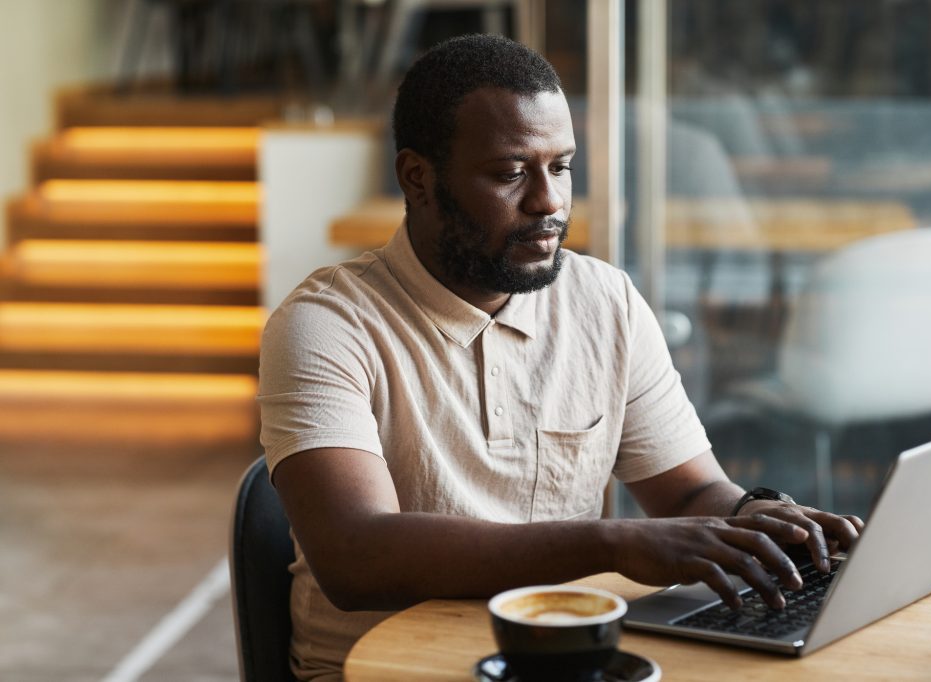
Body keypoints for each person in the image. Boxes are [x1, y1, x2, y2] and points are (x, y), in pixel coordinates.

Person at [258, 34, 863, 681]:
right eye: (511, 172)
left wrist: (754, 521)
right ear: (418, 178)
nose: (548, 202)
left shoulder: (606, 300)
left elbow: (688, 491)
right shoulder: (325, 324)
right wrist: (614, 540)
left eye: (562, 167)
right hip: (383, 672)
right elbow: (356, 556)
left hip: (562, 661)